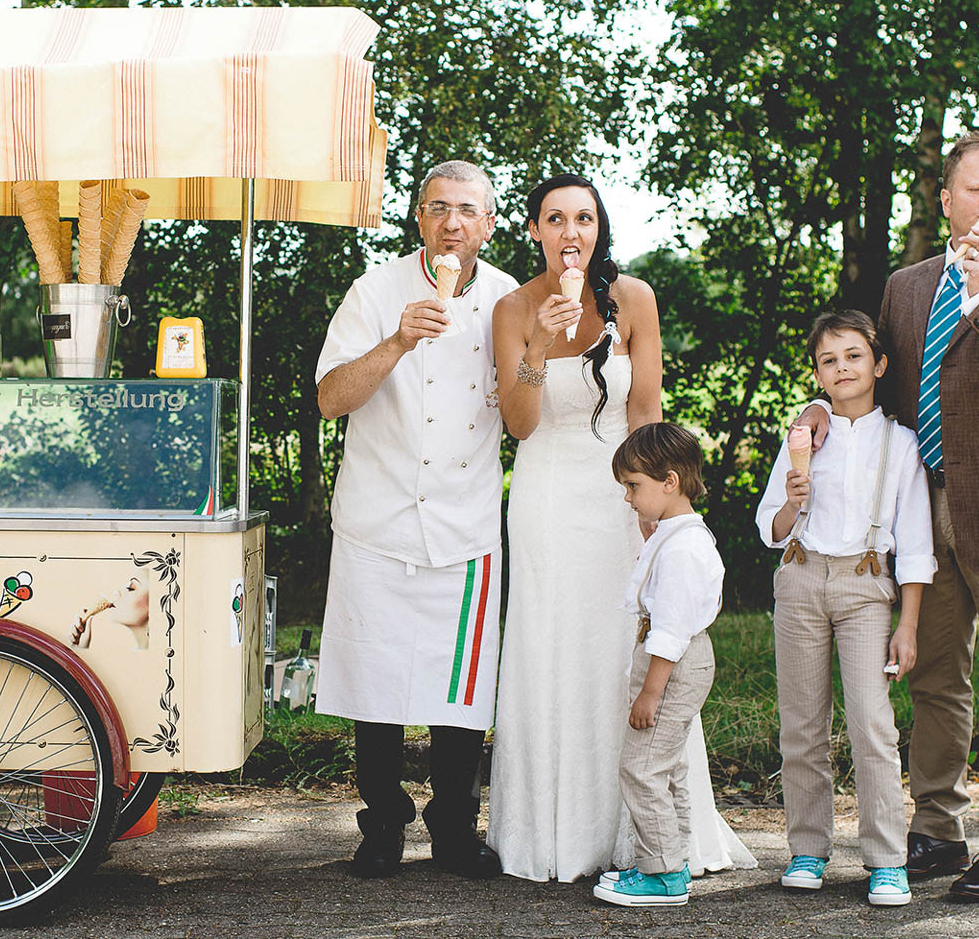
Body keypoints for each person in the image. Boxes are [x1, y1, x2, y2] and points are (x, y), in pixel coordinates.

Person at [794, 130, 979, 901]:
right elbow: (879, 385)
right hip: (919, 508)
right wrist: (823, 407)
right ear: (946, 198)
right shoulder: (905, 284)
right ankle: (935, 828)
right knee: (931, 676)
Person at [487, 173, 753, 883]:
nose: (571, 232)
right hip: (546, 496)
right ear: (535, 230)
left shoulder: (633, 298)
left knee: (622, 643)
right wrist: (538, 352)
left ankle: (651, 838)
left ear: (598, 228)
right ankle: (555, 834)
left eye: (584, 218)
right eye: (555, 219)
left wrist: (655, 516)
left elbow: (646, 411)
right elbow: (518, 424)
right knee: (553, 646)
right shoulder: (513, 307)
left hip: (622, 493)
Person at [312, 160, 520, 879]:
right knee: (375, 685)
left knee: (460, 690)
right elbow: (331, 398)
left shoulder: (508, 302)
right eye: (439, 208)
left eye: (468, 210)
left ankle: (457, 827)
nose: (453, 222)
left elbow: (526, 410)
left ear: (488, 225)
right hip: (377, 518)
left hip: (465, 526)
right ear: (419, 219)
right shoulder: (373, 292)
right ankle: (381, 826)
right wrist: (397, 341)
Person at [755, 311, 933, 906]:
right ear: (817, 374)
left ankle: (886, 859)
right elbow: (770, 529)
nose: (843, 369)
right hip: (802, 577)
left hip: (866, 586)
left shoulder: (901, 443)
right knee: (801, 724)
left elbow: (915, 543)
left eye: (854, 356)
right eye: (829, 361)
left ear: (878, 365)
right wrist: (790, 501)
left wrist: (907, 625)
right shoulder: (805, 437)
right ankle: (808, 848)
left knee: (872, 725)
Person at [590, 422, 723, 908]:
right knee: (666, 768)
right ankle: (674, 863)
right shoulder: (675, 533)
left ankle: (662, 875)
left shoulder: (686, 547)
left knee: (641, 768)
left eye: (634, 486)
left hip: (672, 664)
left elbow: (670, 631)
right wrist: (654, 531)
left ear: (670, 482)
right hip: (670, 658)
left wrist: (650, 692)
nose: (628, 497)